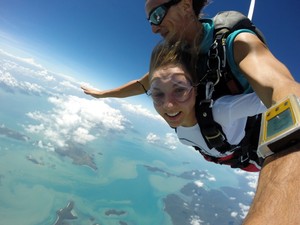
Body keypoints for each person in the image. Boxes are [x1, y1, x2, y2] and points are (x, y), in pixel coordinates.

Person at [82, 0, 300, 224]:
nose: (153, 28)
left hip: (250, 154)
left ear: (186, 6)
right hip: (221, 149)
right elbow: (142, 84)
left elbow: (283, 90)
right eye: (150, 21)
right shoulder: (174, 57)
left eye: (157, 16)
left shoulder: (237, 44)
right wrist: (102, 94)